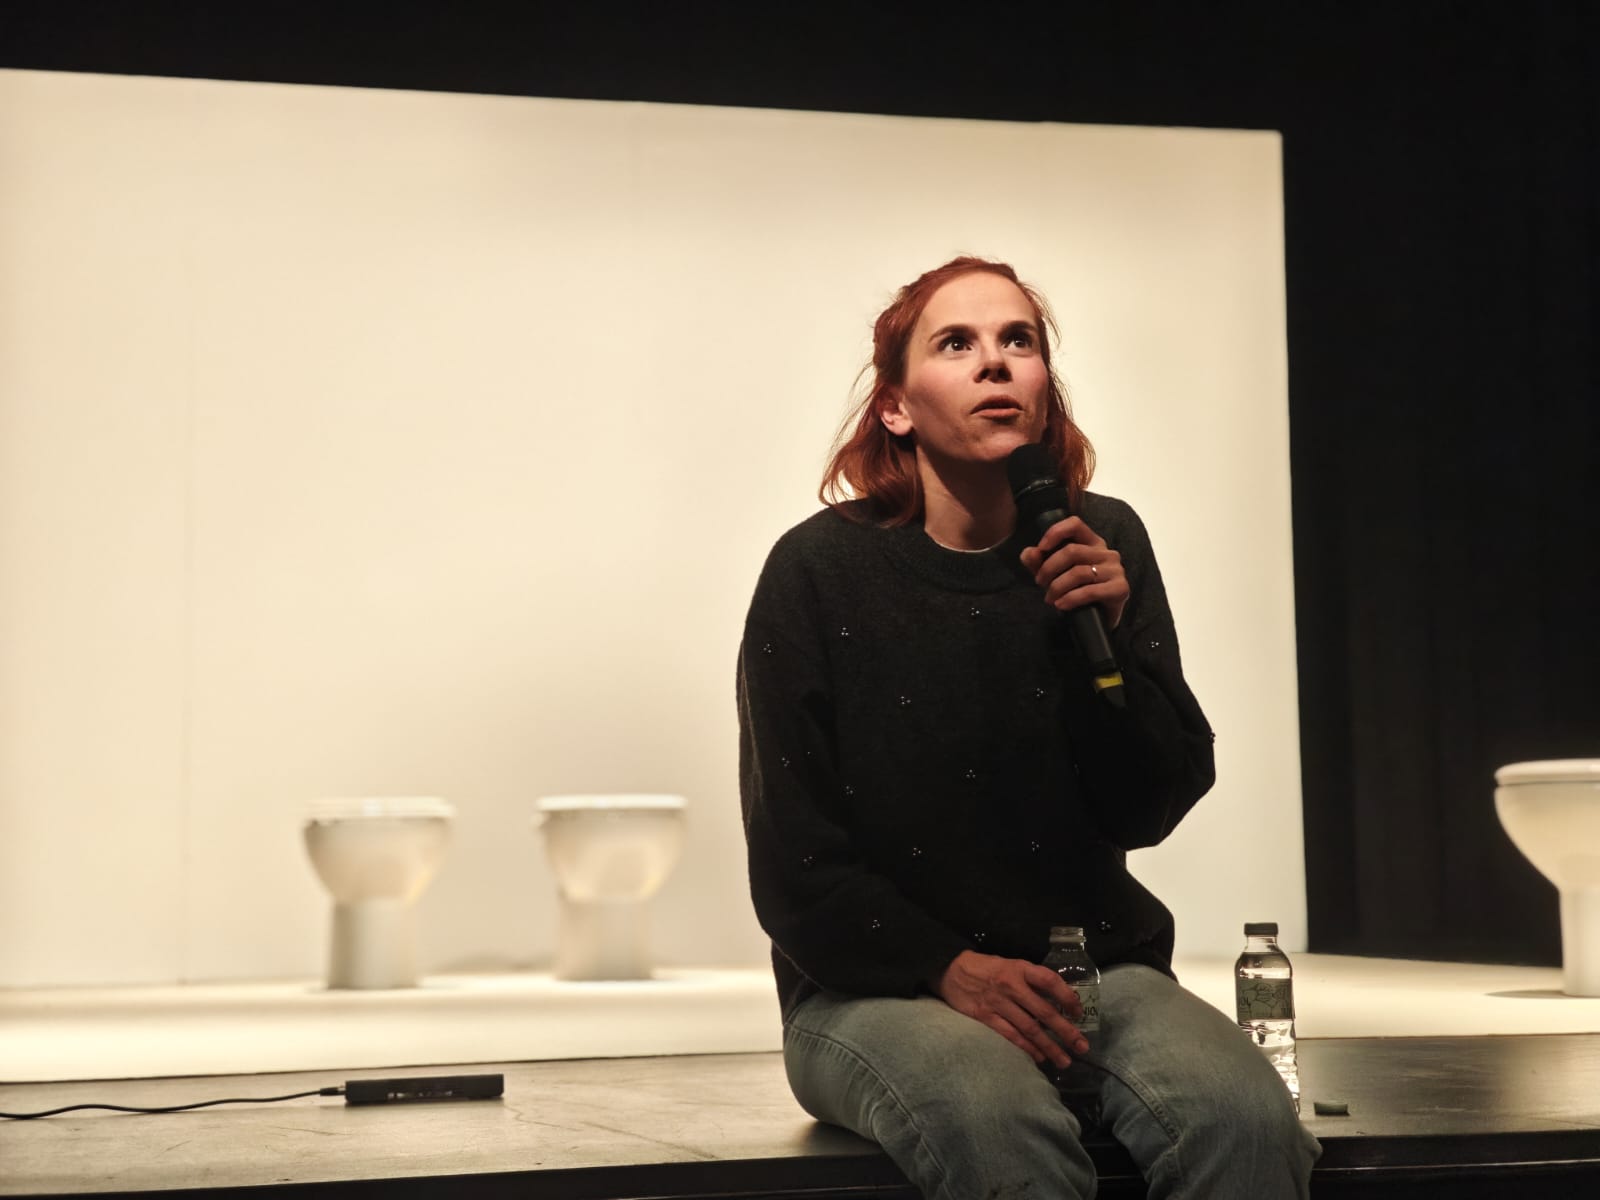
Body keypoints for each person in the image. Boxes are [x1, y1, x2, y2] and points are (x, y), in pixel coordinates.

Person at [736, 256, 1320, 1199]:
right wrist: (947, 968)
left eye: (1019, 340)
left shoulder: (1103, 541)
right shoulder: (817, 572)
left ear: (1045, 389)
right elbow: (795, 860)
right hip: (873, 987)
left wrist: (1112, 645)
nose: (995, 362)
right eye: (956, 343)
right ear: (895, 407)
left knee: (1245, 1119)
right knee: (994, 1116)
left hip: (1090, 971)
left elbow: (1146, 807)